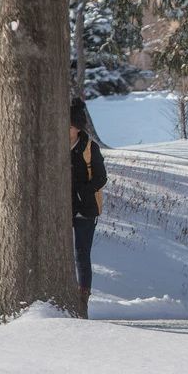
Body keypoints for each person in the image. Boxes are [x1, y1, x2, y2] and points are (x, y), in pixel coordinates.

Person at [70, 102, 108, 312]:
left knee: (81, 254)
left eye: (69, 127)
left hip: (86, 208)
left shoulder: (89, 147)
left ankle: (82, 298)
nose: (66, 131)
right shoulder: (55, 146)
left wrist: (81, 191)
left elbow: (101, 178)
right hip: (62, 208)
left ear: (78, 128)